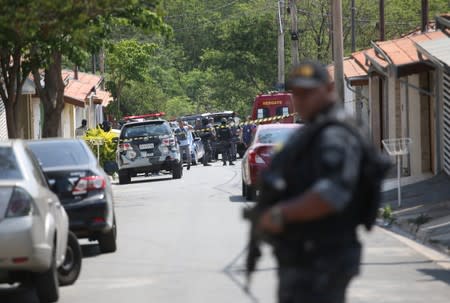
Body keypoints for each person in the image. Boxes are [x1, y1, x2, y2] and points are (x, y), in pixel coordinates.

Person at [252, 61, 387, 303]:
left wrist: (280, 214)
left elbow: (331, 193)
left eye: (308, 92)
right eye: (296, 93)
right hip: (306, 256)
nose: (300, 100)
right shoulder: (312, 132)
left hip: (324, 257)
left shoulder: (335, 136)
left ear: (328, 89)